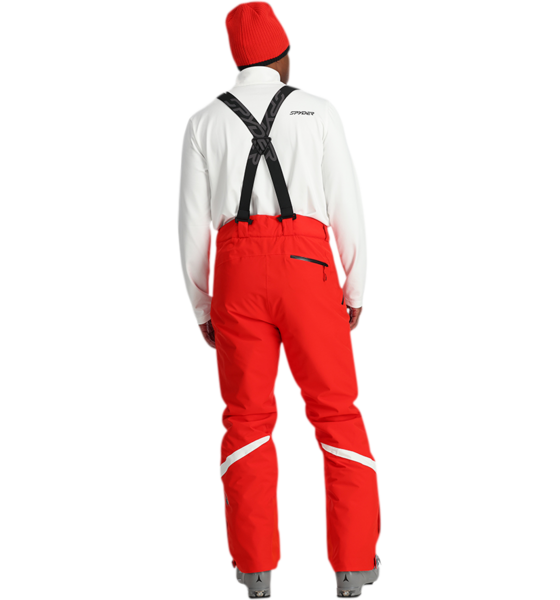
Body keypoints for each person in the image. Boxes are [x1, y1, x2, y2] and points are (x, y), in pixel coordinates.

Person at [177, 1, 381, 597]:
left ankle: (255, 571)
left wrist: (201, 306)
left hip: (235, 275)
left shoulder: (201, 121)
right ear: (284, 55)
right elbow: (349, 207)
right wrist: (355, 288)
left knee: (245, 419)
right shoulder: (320, 110)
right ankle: (353, 567)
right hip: (310, 268)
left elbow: (191, 228)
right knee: (336, 413)